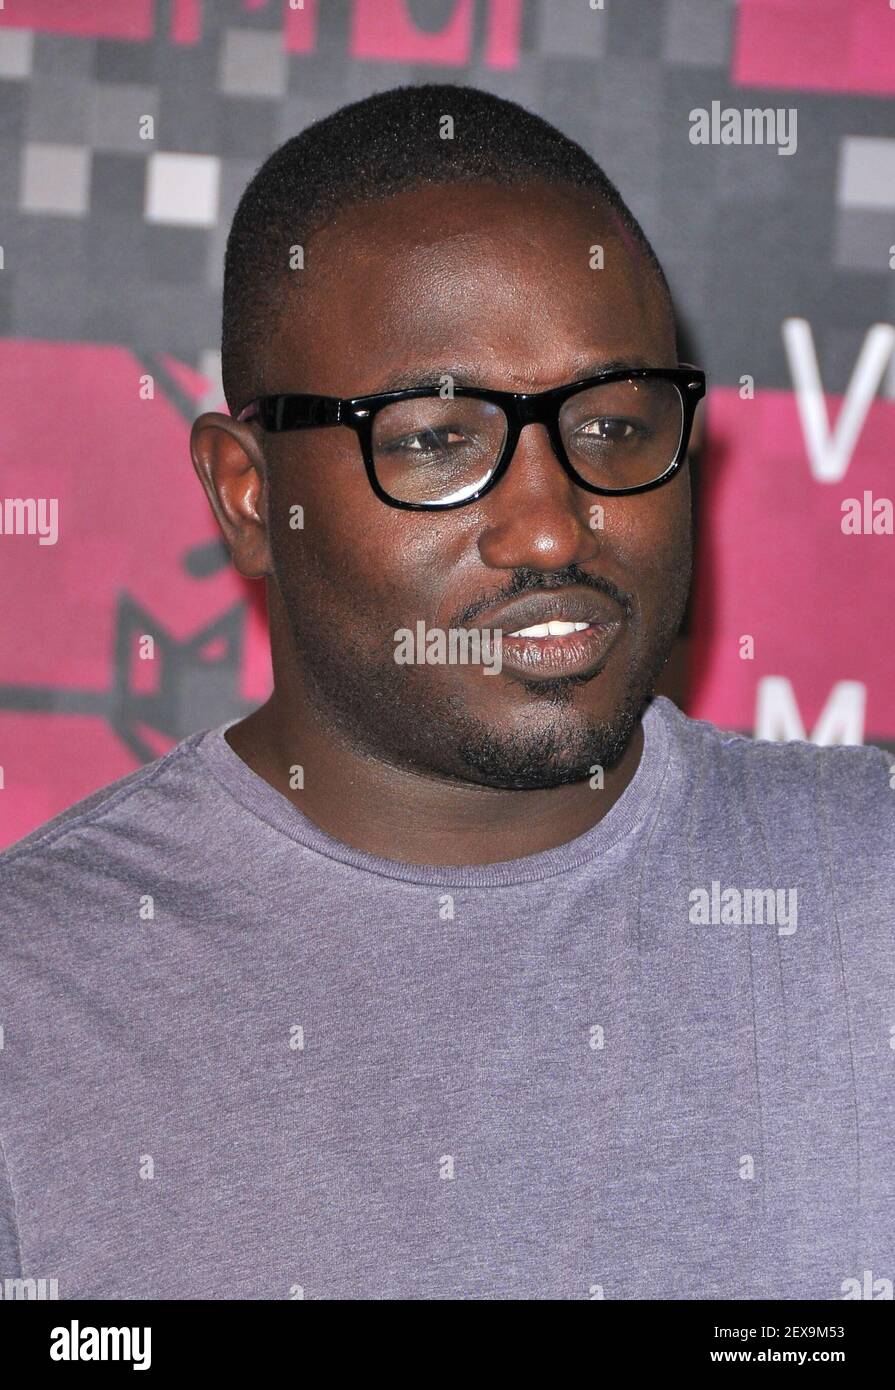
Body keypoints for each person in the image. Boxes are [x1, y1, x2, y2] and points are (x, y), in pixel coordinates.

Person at [0, 84, 891, 1301]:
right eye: (434, 440)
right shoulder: (36, 998)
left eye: (618, 422)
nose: (547, 524)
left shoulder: (868, 892)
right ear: (249, 495)